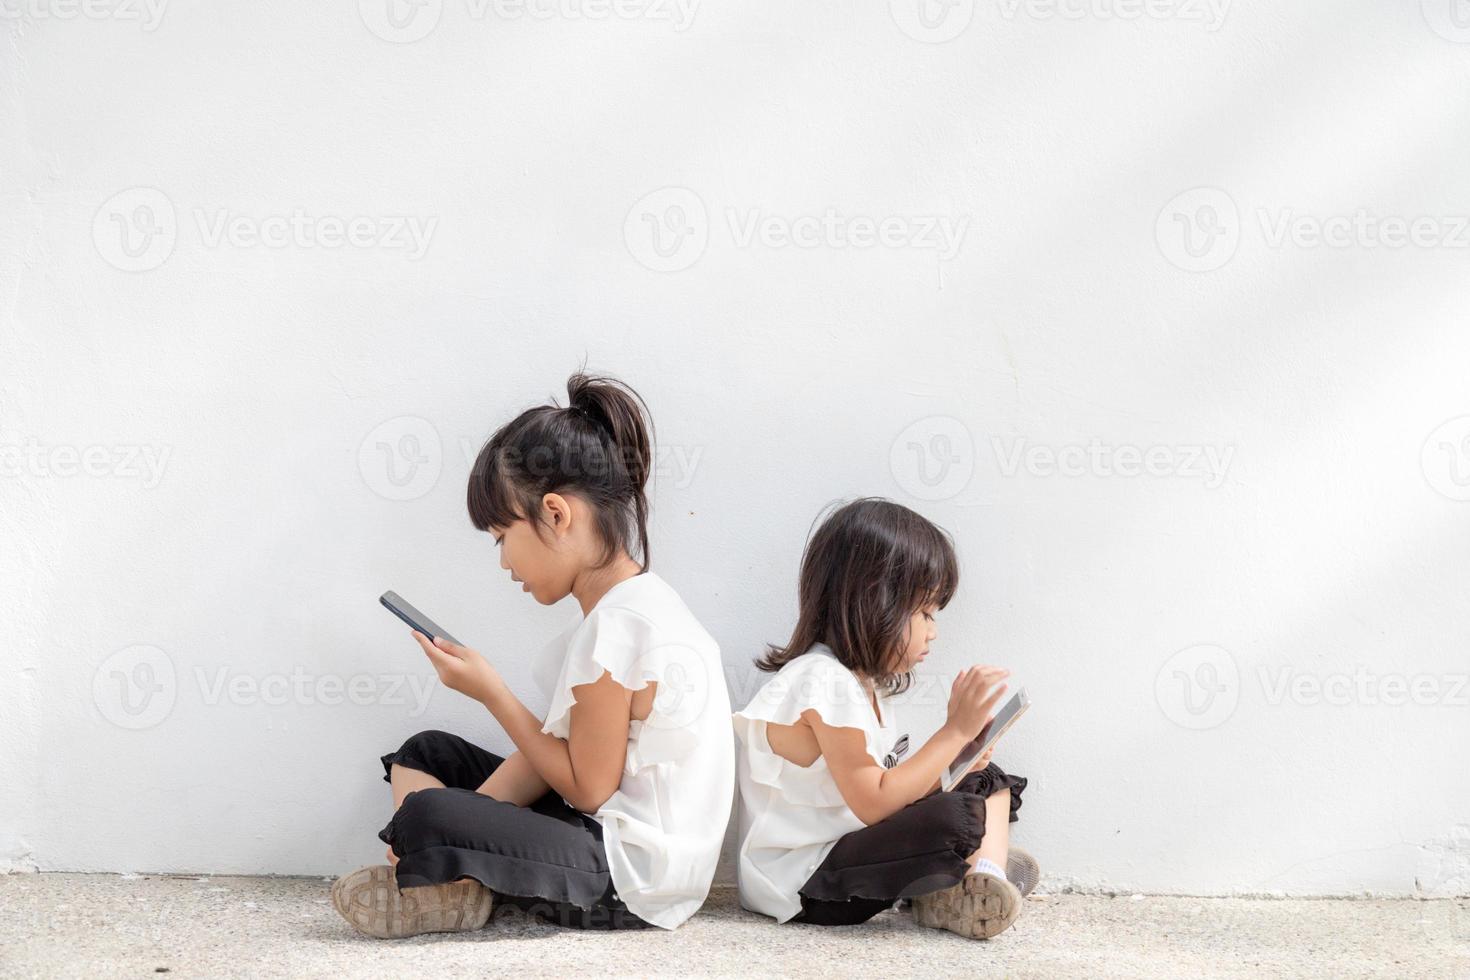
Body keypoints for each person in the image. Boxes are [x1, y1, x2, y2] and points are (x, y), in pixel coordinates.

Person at [333, 372, 733, 937]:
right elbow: (555, 757)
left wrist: (491, 695)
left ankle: (445, 883)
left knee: (426, 813)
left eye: (501, 536)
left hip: (626, 880)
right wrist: (466, 828)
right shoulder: (630, 608)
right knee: (426, 754)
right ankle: (453, 880)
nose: (503, 562)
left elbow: (587, 787)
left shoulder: (619, 627)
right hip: (604, 843)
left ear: (555, 513)